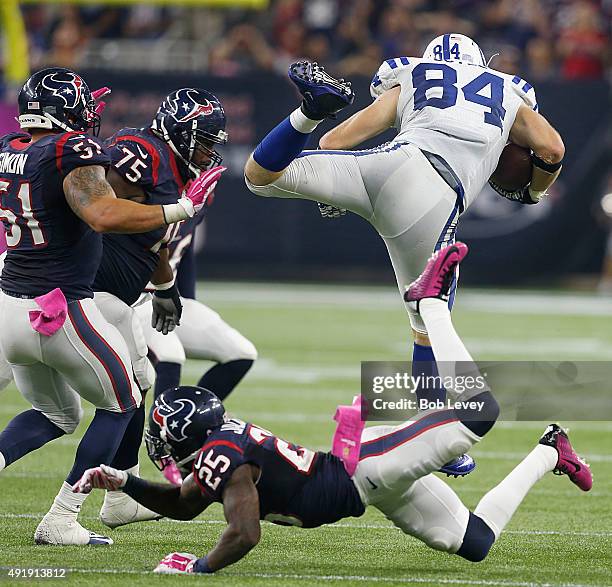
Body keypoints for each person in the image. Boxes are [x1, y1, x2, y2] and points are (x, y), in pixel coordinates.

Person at [73, 242, 592, 574]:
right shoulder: (221, 451)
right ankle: (552, 451)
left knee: (479, 411)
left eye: (165, 432)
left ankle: (429, 303)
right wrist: (127, 483)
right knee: (473, 542)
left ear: (190, 437)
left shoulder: (224, 457)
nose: (161, 441)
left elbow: (244, 534)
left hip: (362, 470)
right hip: (361, 483)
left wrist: (201, 568)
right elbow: (186, 503)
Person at [243, 34, 565, 477]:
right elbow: (552, 149)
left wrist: (337, 192)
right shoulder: (507, 90)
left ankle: (307, 111)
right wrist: (533, 190)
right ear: (479, 63)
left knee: (261, 176)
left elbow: (337, 140)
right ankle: (435, 438)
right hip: (433, 190)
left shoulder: (412, 74)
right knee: (427, 321)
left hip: (385, 164)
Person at [0, 67, 217, 545]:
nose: (90, 115)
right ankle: (62, 517)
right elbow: (102, 213)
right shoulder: (70, 150)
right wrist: (181, 208)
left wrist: (164, 285)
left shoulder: (10, 149)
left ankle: (119, 498)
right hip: (60, 307)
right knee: (122, 402)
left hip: (10, 306)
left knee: (59, 414)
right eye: (83, 105)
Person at [120, 89, 257, 485]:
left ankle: (191, 429)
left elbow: (184, 245)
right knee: (171, 355)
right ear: (178, 134)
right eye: (204, 141)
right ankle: (161, 440)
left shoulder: (203, 180)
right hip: (133, 294)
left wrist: (186, 299)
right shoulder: (151, 165)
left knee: (240, 353)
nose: (209, 151)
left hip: (165, 292)